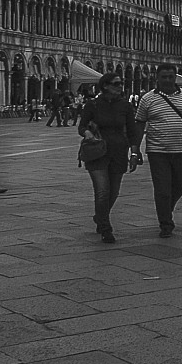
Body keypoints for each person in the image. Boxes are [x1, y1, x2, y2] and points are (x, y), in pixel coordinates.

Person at [134, 64, 182, 237]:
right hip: (157, 151)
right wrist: (135, 149)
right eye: (164, 77)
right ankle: (165, 223)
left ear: (175, 77)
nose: (168, 80)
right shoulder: (147, 99)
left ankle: (166, 210)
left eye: (171, 77)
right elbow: (139, 124)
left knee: (179, 186)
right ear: (157, 78)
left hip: (181, 150)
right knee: (162, 189)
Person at [79, 71, 135, 243]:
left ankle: (100, 216)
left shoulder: (125, 106)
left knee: (114, 191)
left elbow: (132, 131)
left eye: (121, 83)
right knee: (102, 191)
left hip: (119, 151)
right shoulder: (93, 104)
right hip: (98, 152)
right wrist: (87, 132)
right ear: (105, 86)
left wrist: (134, 152)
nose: (120, 87)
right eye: (116, 84)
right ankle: (105, 228)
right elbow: (81, 127)